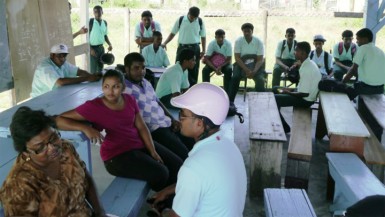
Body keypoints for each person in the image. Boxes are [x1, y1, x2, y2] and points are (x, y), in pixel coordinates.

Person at [55, 70, 183, 191]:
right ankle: (160, 202)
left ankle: (169, 201)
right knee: (162, 173)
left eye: (115, 86)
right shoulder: (94, 106)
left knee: (176, 164)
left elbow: (142, 127)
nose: (110, 91)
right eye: (106, 86)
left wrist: (152, 151)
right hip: (117, 156)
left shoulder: (130, 99)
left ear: (123, 87)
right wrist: (85, 128)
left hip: (138, 144)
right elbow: (58, 119)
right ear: (102, 87)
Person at [148, 83, 247, 217]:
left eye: (182, 114)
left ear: (199, 123)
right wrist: (168, 190)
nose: (179, 119)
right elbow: (204, 180)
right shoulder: (229, 146)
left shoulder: (193, 167)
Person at [0, 107, 106, 216]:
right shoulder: (18, 186)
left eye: (53, 138)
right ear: (26, 152)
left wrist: (100, 212)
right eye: (41, 147)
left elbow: (86, 177)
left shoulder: (65, 149)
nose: (52, 148)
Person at [123, 52, 191, 159]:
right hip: (154, 129)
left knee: (192, 141)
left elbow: (158, 101)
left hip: (166, 122)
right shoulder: (123, 88)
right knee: (183, 153)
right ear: (127, 69)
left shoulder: (146, 82)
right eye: (136, 68)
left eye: (143, 68)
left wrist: (172, 119)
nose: (141, 72)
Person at [274, 41, 321, 133]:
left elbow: (304, 93)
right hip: (305, 96)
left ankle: (285, 127)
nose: (294, 52)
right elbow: (302, 87)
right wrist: (290, 89)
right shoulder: (308, 63)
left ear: (303, 53)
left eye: (296, 50)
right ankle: (278, 115)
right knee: (275, 88)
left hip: (305, 101)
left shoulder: (306, 68)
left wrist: (288, 92)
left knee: (273, 100)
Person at [30, 44, 101, 98]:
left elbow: (79, 71)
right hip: (40, 99)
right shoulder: (44, 67)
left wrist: (91, 76)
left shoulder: (62, 62)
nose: (62, 59)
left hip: (55, 95)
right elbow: (60, 82)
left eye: (64, 56)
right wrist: (87, 78)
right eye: (59, 56)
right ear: (52, 55)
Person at [161, 6, 206, 86]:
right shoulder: (181, 20)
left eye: (195, 18)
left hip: (195, 48)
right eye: (192, 17)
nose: (193, 19)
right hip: (182, 48)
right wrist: (165, 43)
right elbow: (173, 33)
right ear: (188, 13)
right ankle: (177, 89)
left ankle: (191, 91)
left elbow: (203, 36)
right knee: (178, 68)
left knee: (193, 70)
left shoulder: (200, 21)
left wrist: (203, 50)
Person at [228, 23, 266, 106]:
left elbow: (260, 59)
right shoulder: (239, 41)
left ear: (252, 31)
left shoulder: (259, 42)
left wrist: (254, 71)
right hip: (241, 63)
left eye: (248, 31)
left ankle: (261, 102)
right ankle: (230, 102)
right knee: (235, 78)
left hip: (255, 64)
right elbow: (237, 58)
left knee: (260, 80)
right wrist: (247, 70)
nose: (247, 33)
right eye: (245, 31)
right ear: (242, 32)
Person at [343, 28, 385, 95]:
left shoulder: (363, 48)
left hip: (366, 88)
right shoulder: (380, 51)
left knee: (344, 92)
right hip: (381, 89)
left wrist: (342, 83)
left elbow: (353, 69)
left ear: (365, 39)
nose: (356, 42)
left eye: (358, 39)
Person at [202, 29, 232, 95]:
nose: (220, 39)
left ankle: (227, 92)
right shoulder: (212, 44)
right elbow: (207, 59)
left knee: (229, 70)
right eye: (218, 37)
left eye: (222, 37)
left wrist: (220, 67)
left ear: (224, 37)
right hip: (213, 63)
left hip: (225, 63)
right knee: (205, 70)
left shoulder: (228, 44)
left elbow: (229, 59)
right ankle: (206, 91)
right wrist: (215, 69)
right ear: (215, 37)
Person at [89, 5, 113, 73]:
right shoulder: (90, 22)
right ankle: (92, 83)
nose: (97, 13)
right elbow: (86, 37)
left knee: (100, 68)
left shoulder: (104, 23)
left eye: (99, 11)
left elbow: (105, 35)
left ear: (102, 12)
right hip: (93, 49)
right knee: (93, 70)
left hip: (101, 48)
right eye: (95, 12)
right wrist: (90, 49)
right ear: (93, 13)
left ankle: (100, 82)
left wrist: (110, 44)